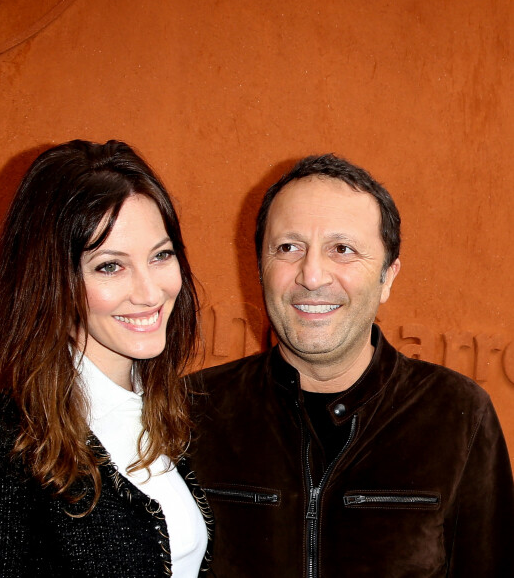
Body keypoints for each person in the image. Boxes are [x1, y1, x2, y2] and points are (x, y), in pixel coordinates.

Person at [188, 154, 514, 577]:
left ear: (387, 277)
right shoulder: (192, 409)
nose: (312, 275)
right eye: (288, 247)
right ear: (259, 268)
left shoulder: (458, 415)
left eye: (342, 249)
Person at [0, 140, 213, 577]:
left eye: (161, 255)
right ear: (50, 282)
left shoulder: (169, 410)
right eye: (109, 266)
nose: (150, 292)